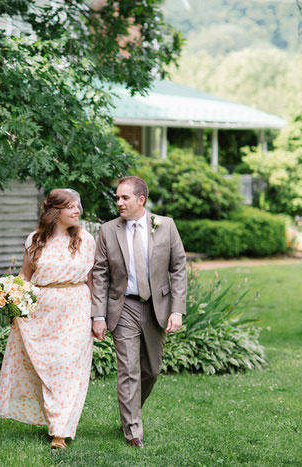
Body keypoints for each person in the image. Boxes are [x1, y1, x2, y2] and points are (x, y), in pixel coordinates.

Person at [0, 188, 96, 449]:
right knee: (47, 369)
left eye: (78, 205)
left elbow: (93, 281)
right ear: (55, 211)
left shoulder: (85, 240)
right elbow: (25, 275)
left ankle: (60, 431)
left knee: (68, 367)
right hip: (40, 313)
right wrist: (10, 301)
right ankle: (53, 421)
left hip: (75, 310)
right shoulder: (35, 239)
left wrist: (98, 317)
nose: (77, 210)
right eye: (71, 206)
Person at [91, 176, 187, 448]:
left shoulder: (165, 226)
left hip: (157, 306)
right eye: (117, 197)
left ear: (141, 200)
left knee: (151, 370)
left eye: (124, 198)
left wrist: (177, 310)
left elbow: (178, 269)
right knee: (129, 370)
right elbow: (100, 274)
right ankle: (133, 429)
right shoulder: (109, 230)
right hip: (123, 307)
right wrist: (98, 315)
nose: (118, 202)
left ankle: (130, 410)